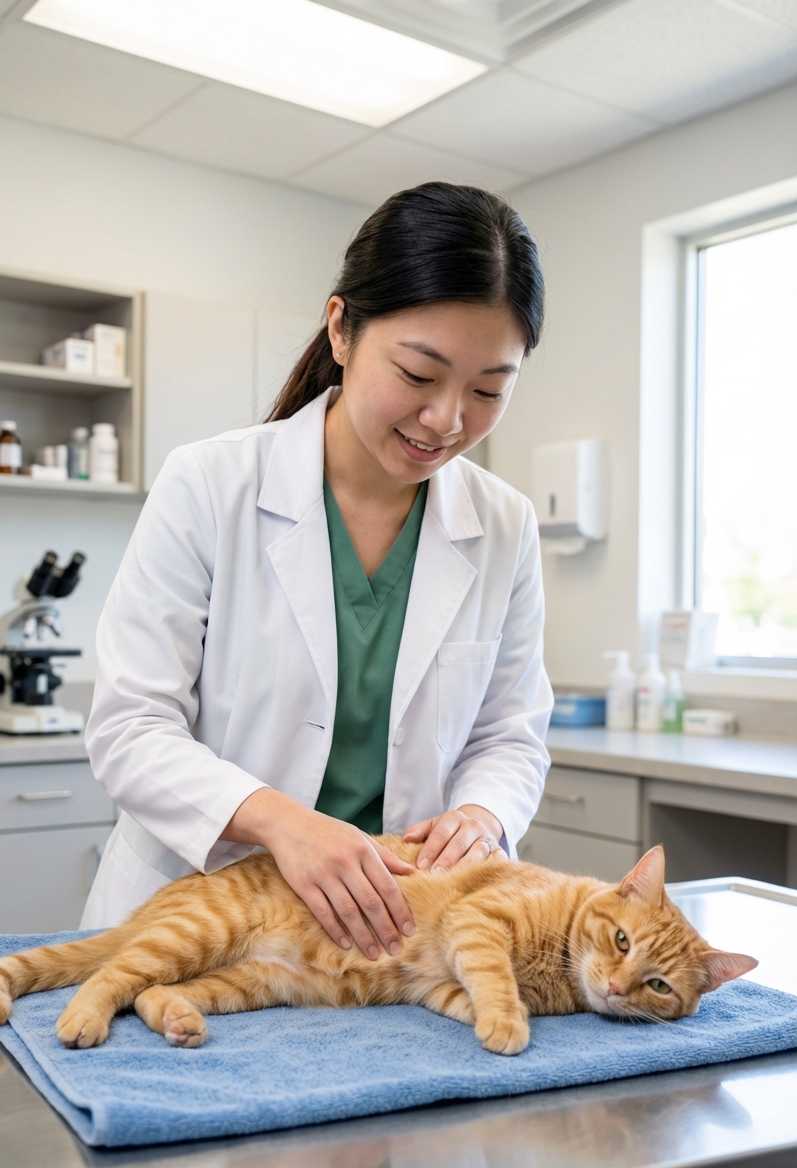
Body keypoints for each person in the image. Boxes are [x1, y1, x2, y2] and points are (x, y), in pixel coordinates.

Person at [82, 182, 553, 963]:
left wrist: (483, 815)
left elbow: (510, 735)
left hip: (385, 938)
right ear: (342, 330)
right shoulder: (210, 484)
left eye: (487, 390)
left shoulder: (503, 526)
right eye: (417, 374)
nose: (447, 419)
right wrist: (279, 822)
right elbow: (130, 728)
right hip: (193, 919)